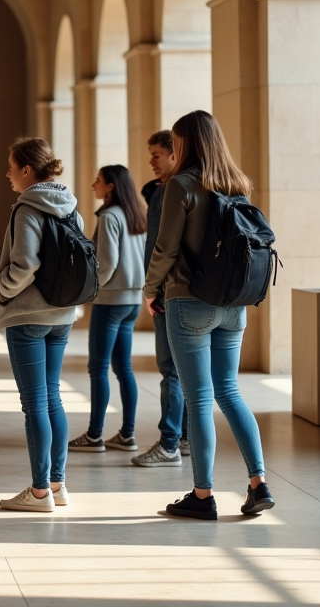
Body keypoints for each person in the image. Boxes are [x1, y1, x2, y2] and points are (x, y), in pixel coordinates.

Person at [144, 110, 274, 520]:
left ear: (185, 143)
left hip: (188, 302)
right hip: (234, 305)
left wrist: (150, 291)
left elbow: (165, 249)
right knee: (230, 392)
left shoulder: (180, 185)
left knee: (198, 400)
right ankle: (258, 483)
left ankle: (202, 495)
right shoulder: (237, 184)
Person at [0, 138, 80, 513]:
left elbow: (24, 265)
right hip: (62, 315)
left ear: (27, 170)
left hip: (28, 315)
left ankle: (39, 491)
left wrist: (1, 290)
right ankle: (57, 485)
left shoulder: (27, 208)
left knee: (34, 405)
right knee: (52, 398)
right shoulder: (70, 205)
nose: (8, 173)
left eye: (11, 166)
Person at [69, 164, 146, 454]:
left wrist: (90, 291)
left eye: (98, 180)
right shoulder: (136, 215)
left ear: (111, 186)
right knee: (123, 368)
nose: (93, 185)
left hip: (110, 301)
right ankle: (127, 434)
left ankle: (94, 435)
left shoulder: (110, 217)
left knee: (98, 368)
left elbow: (108, 262)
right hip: (132, 302)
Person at [132, 130, 189, 467]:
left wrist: (151, 289)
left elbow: (161, 248)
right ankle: (182, 439)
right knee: (180, 371)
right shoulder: (166, 191)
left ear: (174, 154)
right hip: (173, 291)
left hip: (168, 292)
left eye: (156, 155)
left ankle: (169, 442)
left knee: (172, 370)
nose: (150, 161)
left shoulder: (171, 192)